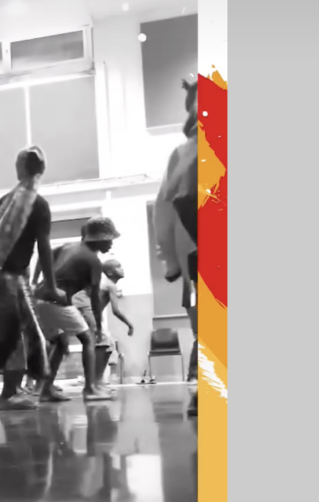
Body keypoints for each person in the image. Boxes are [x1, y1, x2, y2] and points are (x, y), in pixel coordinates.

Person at [0, 146, 67, 411]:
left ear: (19, 169)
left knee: (12, 334)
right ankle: (8, 394)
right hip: (10, 280)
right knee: (16, 335)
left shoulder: (6, 201)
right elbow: (43, 246)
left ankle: (15, 388)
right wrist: (52, 287)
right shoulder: (37, 204)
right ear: (42, 170)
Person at [34, 218, 120, 402]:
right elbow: (95, 297)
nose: (111, 243)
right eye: (109, 239)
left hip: (40, 299)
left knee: (60, 343)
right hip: (57, 300)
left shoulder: (67, 246)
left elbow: (44, 256)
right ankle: (90, 389)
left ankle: (46, 390)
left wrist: (35, 281)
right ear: (98, 239)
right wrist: (97, 326)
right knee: (88, 338)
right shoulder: (93, 260)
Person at [155, 78, 198, 417]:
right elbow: (166, 208)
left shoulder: (182, 154)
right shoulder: (184, 154)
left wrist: (170, 260)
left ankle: (203, 389)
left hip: (194, 255)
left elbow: (164, 210)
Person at [73, 258, 134, 388]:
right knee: (102, 340)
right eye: (118, 267)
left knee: (108, 343)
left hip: (86, 307)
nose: (122, 269)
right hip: (81, 303)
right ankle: (95, 381)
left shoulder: (107, 284)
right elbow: (115, 311)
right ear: (110, 272)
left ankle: (97, 380)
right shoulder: (110, 285)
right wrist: (129, 324)